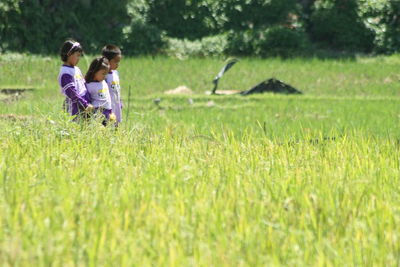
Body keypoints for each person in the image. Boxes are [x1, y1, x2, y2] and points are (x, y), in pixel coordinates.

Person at [58, 40, 93, 119]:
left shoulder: (76, 69)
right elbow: (71, 92)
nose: (79, 58)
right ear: (69, 54)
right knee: (75, 127)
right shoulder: (65, 72)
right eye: (77, 55)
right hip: (74, 106)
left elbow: (83, 86)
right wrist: (84, 104)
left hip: (84, 104)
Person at [85, 57, 116, 125]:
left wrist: (111, 112)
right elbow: (87, 101)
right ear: (94, 71)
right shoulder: (88, 85)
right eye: (103, 73)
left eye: (106, 74)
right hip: (98, 113)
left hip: (108, 113)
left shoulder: (103, 82)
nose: (105, 76)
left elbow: (107, 99)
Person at [102, 45, 123, 123]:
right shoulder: (103, 75)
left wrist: (120, 102)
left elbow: (117, 90)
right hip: (107, 108)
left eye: (119, 62)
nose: (118, 64)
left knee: (115, 126)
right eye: (115, 62)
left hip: (116, 106)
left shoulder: (115, 73)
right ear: (107, 60)